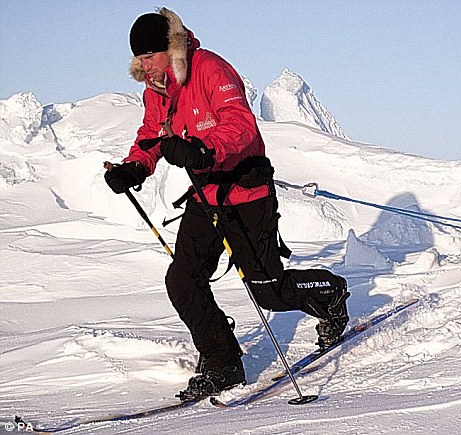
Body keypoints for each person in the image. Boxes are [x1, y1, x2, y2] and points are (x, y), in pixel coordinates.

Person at [104, 7, 349, 400]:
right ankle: (223, 362)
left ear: (170, 48)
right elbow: (152, 134)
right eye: (139, 59)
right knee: (182, 281)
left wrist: (203, 149)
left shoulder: (211, 70)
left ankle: (329, 292)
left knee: (268, 292)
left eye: (149, 56)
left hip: (246, 194)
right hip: (206, 197)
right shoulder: (157, 90)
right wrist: (134, 167)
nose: (143, 65)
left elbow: (240, 125)